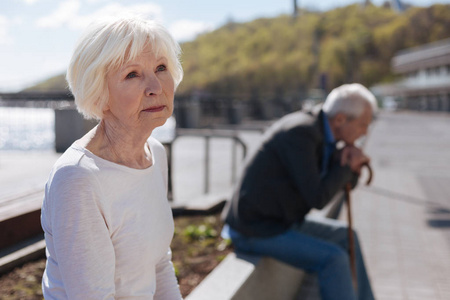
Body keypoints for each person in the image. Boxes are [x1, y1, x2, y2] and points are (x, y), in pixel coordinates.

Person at [40, 15, 183, 299]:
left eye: (161, 68)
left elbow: (159, 264)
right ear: (100, 93)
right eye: (132, 74)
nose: (155, 86)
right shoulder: (77, 178)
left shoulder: (154, 153)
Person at [222, 83, 378, 300]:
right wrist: (345, 166)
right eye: (363, 124)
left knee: (347, 235)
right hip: (254, 228)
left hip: (281, 221)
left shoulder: (324, 133)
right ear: (341, 119)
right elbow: (318, 198)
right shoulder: (301, 133)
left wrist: (348, 163)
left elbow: (346, 184)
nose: (365, 132)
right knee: (334, 259)